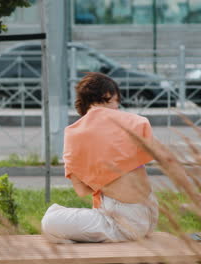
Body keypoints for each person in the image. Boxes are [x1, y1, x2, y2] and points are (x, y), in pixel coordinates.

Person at [41, 72, 158, 243]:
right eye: (116, 105)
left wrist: (101, 177)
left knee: (49, 221)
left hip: (122, 223)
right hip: (149, 217)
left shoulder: (76, 133)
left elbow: (81, 190)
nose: (117, 111)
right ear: (107, 96)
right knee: (56, 214)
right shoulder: (133, 122)